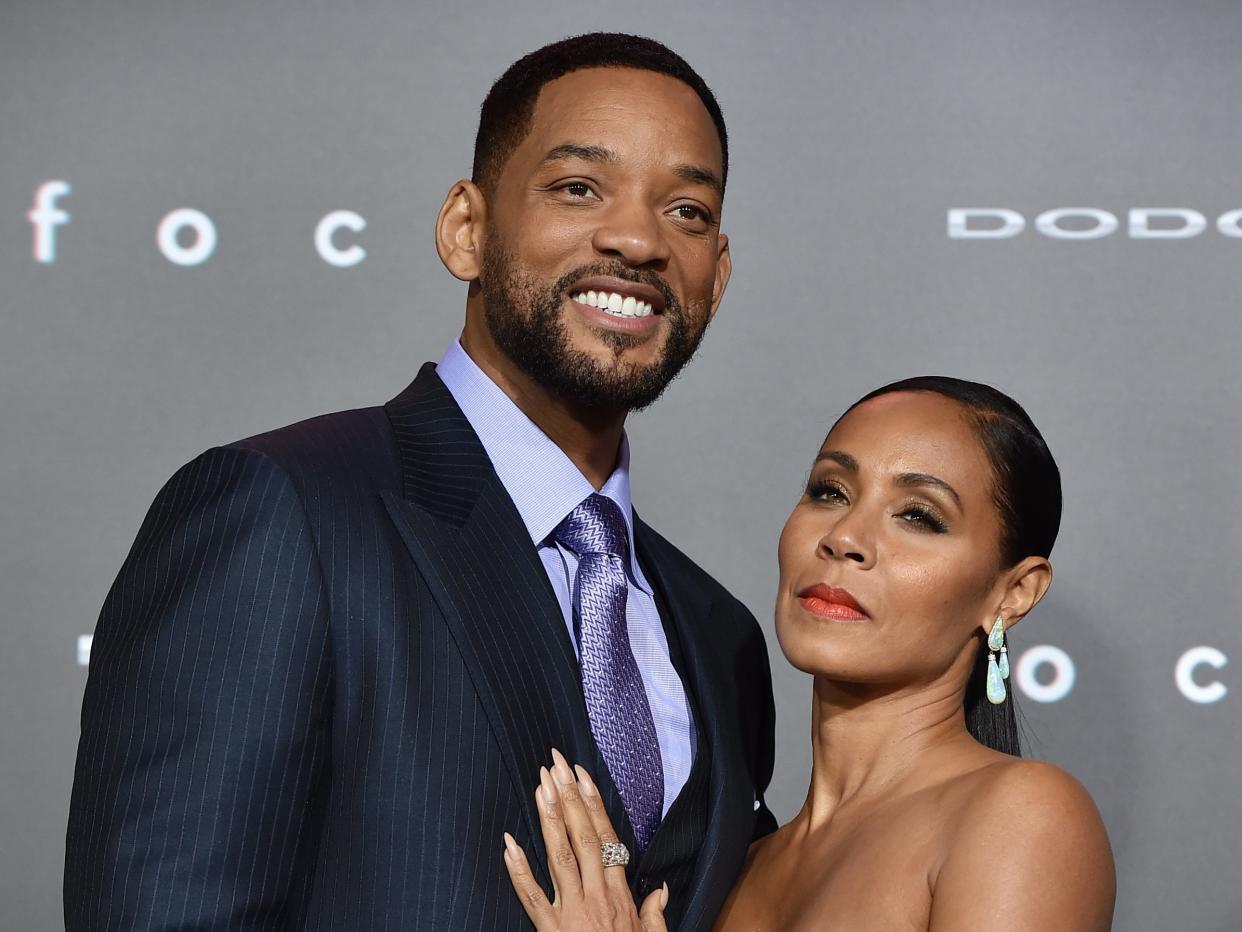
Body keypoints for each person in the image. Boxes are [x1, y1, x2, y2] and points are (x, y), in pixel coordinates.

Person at [65, 34, 777, 931]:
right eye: (577, 187)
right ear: (465, 230)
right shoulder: (281, 512)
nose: (636, 238)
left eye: (687, 210)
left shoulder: (720, 637)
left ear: (718, 272)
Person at [504, 377, 1116, 931]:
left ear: (1013, 593)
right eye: (830, 491)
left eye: (918, 516)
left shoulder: (1020, 817)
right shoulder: (734, 867)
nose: (845, 537)